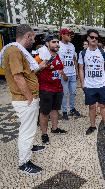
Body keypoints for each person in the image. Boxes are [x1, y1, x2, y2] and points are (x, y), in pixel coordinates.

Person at [0, 24, 47, 174]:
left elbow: (27, 73)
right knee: (27, 130)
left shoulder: (18, 50)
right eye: (32, 38)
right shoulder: (14, 51)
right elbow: (18, 77)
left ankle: (30, 147)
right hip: (24, 99)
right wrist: (30, 97)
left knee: (29, 127)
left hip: (27, 98)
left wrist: (40, 67)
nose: (33, 41)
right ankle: (24, 162)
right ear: (27, 36)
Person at [78, 29, 105, 135]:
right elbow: (80, 69)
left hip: (101, 84)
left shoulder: (103, 52)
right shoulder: (83, 53)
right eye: (92, 37)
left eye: (96, 38)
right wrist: (82, 83)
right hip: (89, 85)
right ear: (87, 38)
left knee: (103, 105)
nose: (94, 39)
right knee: (92, 106)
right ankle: (92, 126)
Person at [35, 35, 67, 145]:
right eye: (54, 42)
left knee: (55, 109)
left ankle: (54, 128)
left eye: (58, 42)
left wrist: (63, 74)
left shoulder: (58, 55)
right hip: (45, 89)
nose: (57, 44)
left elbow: (60, 69)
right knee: (44, 112)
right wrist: (41, 66)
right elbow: (33, 70)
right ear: (47, 43)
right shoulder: (41, 55)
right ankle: (44, 134)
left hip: (58, 88)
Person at [58, 28, 80, 120]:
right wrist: (63, 74)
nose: (70, 36)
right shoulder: (58, 45)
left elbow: (74, 59)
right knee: (64, 93)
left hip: (72, 73)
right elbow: (57, 61)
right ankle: (64, 111)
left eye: (70, 34)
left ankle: (72, 108)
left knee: (73, 92)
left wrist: (77, 71)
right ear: (62, 35)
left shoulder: (72, 45)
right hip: (63, 74)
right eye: (68, 34)